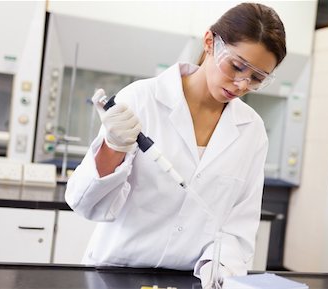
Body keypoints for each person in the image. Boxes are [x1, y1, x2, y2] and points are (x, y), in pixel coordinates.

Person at [65, 2, 286, 287]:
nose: (242, 84)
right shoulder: (141, 99)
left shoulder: (252, 131)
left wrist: (218, 276)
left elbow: (237, 226)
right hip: (117, 275)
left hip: (191, 281)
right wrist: (113, 146)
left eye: (256, 78)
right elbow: (85, 204)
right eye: (237, 66)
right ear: (210, 42)